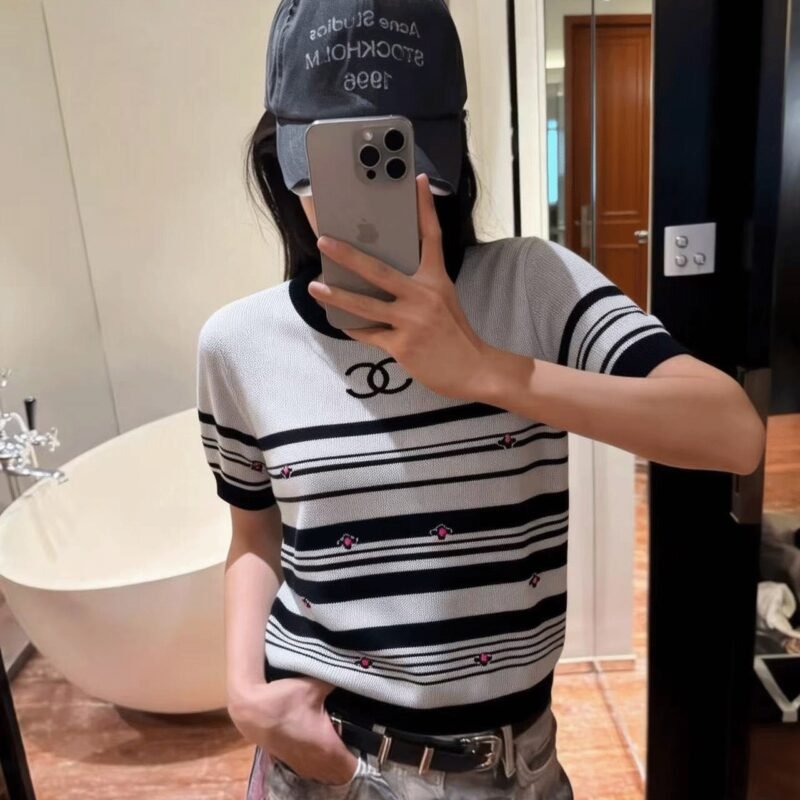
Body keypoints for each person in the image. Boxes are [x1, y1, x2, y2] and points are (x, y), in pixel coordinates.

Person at [195, 1, 766, 798]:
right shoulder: (238, 344)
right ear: (282, 157)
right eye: (332, 161)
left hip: (512, 768)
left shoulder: (533, 285)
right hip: (326, 760)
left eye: (397, 155)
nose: (372, 193)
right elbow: (255, 532)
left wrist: (485, 370)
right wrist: (245, 695)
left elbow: (732, 431)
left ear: (449, 152)